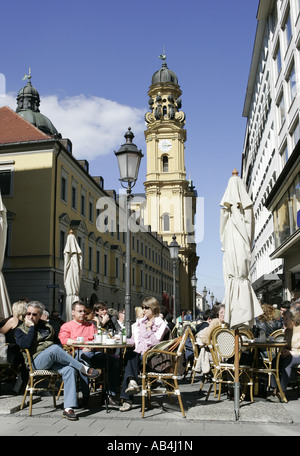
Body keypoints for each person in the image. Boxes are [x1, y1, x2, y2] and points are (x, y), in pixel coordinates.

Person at [15, 301, 100, 421]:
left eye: (34, 314)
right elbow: (26, 345)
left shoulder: (47, 327)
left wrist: (63, 356)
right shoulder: (20, 330)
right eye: (28, 313)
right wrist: (32, 328)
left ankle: (68, 408)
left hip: (52, 359)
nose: (30, 316)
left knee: (69, 369)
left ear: (40, 315)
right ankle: (83, 368)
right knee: (54, 349)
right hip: (35, 361)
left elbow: (58, 343)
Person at [59, 301, 120, 407]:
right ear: (73, 312)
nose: (82, 313)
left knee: (114, 360)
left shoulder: (90, 326)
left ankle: (110, 394)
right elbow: (63, 340)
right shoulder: (67, 326)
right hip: (76, 353)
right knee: (84, 359)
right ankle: (86, 396)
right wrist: (80, 344)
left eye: (84, 311)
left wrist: (91, 346)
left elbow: (98, 338)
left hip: (92, 352)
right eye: (79, 311)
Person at [119, 297, 168, 412]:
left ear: (153, 308)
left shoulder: (160, 323)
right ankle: (132, 382)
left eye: (146, 308)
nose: (144, 310)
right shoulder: (139, 322)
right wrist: (122, 340)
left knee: (130, 358)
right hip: (139, 353)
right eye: (143, 307)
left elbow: (156, 341)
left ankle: (128, 398)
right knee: (130, 355)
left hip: (152, 355)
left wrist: (148, 328)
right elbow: (135, 341)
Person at [269, 310, 300, 402]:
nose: (284, 322)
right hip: (291, 354)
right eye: (283, 319)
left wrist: (290, 353)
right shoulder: (288, 331)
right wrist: (283, 352)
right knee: (275, 360)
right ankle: (275, 388)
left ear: (294, 319)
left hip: (297, 355)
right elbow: (286, 345)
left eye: (287, 319)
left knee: (287, 362)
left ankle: (282, 391)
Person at [0, 300, 28, 393]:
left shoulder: (13, 320)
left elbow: (2, 332)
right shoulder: (27, 321)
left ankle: (14, 385)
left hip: (12, 352)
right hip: (23, 351)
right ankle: (18, 387)